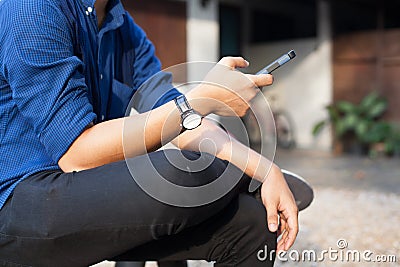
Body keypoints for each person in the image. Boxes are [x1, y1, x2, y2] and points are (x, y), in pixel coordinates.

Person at [0, 0, 299, 266]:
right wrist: (201, 100)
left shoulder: (125, 30)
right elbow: (77, 154)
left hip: (85, 194)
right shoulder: (31, 8)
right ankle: (239, 182)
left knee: (253, 224)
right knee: (177, 172)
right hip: (20, 200)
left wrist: (265, 169)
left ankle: (247, 183)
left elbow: (181, 121)